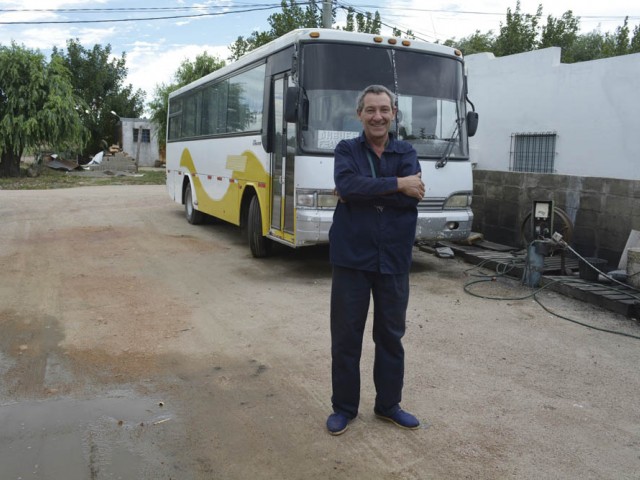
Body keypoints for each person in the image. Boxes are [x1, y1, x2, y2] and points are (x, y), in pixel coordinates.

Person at [327, 85, 425, 436]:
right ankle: (344, 408)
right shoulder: (346, 149)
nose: (378, 116)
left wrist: (368, 191)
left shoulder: (406, 151)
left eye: (384, 109)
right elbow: (347, 185)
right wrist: (398, 184)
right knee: (346, 337)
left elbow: (411, 199)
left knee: (390, 336)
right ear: (360, 114)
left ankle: (388, 405)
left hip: (393, 258)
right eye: (370, 110)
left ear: (394, 113)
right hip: (352, 256)